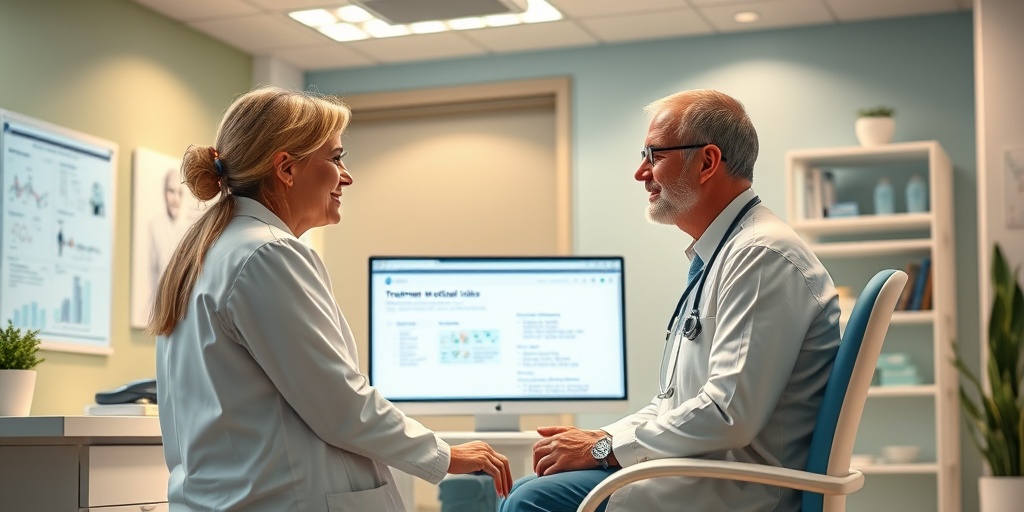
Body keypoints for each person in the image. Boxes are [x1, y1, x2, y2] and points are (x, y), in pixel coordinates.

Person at [149, 86, 513, 511]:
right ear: (285, 168)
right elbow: (339, 404)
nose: (347, 175)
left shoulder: (211, 249)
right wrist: (445, 454)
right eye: (336, 158)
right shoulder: (268, 253)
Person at [500, 89, 841, 512]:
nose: (641, 173)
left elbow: (725, 414)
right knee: (529, 489)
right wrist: (600, 440)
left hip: (739, 488)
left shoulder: (760, 256)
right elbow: (673, 402)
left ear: (707, 162)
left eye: (654, 155)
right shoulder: (725, 253)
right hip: (706, 469)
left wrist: (605, 447)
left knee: (534, 501)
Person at [148, 167, 188, 307]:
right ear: (164, 193)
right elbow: (152, 271)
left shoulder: (189, 231)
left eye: (179, 193)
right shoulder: (154, 226)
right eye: (171, 191)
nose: (175, 199)